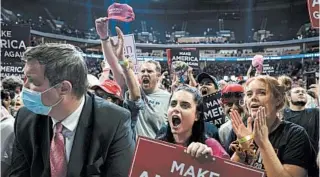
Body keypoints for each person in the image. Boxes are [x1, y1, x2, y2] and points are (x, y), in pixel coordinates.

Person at [9, 43, 135, 177]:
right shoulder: (25, 118)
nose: (25, 87)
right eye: (25, 78)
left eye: (33, 81)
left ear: (64, 88)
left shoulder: (114, 122)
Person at [95, 19, 171, 139]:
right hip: (132, 152)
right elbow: (114, 66)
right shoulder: (131, 90)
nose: (145, 74)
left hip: (155, 153)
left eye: (150, 71)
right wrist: (104, 38)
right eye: (142, 71)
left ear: (158, 75)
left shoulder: (168, 98)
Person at [230, 75, 312, 177]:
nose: (253, 98)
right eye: (249, 94)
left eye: (262, 93)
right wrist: (242, 146)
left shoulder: (295, 134)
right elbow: (228, 173)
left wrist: (263, 142)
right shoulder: (242, 132)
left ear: (278, 99)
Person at [156, 85, 229, 159]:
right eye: (173, 104)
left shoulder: (211, 146)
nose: (176, 108)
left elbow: (229, 169)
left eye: (184, 106)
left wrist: (211, 162)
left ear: (197, 115)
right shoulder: (158, 141)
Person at [284, 86, 319, 176]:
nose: (301, 93)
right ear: (288, 97)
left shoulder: (315, 112)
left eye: (303, 92)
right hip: (288, 164)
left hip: (312, 164)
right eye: (297, 92)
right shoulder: (282, 114)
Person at [218, 84, 245, 150]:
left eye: (238, 103)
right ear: (222, 107)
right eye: (229, 104)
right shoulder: (223, 130)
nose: (234, 108)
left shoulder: (256, 124)